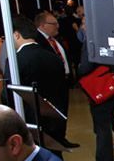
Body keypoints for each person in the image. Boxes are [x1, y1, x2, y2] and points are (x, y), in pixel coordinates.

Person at [5, 16, 70, 154]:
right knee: (54, 157)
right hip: (53, 120)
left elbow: (9, 94)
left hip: (28, 123)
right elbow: (63, 91)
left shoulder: (14, 60)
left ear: (16, 35)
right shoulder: (54, 58)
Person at [76, 21, 114, 161]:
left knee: (102, 128)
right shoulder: (113, 35)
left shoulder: (91, 40)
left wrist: (79, 71)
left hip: (101, 91)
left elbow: (86, 66)